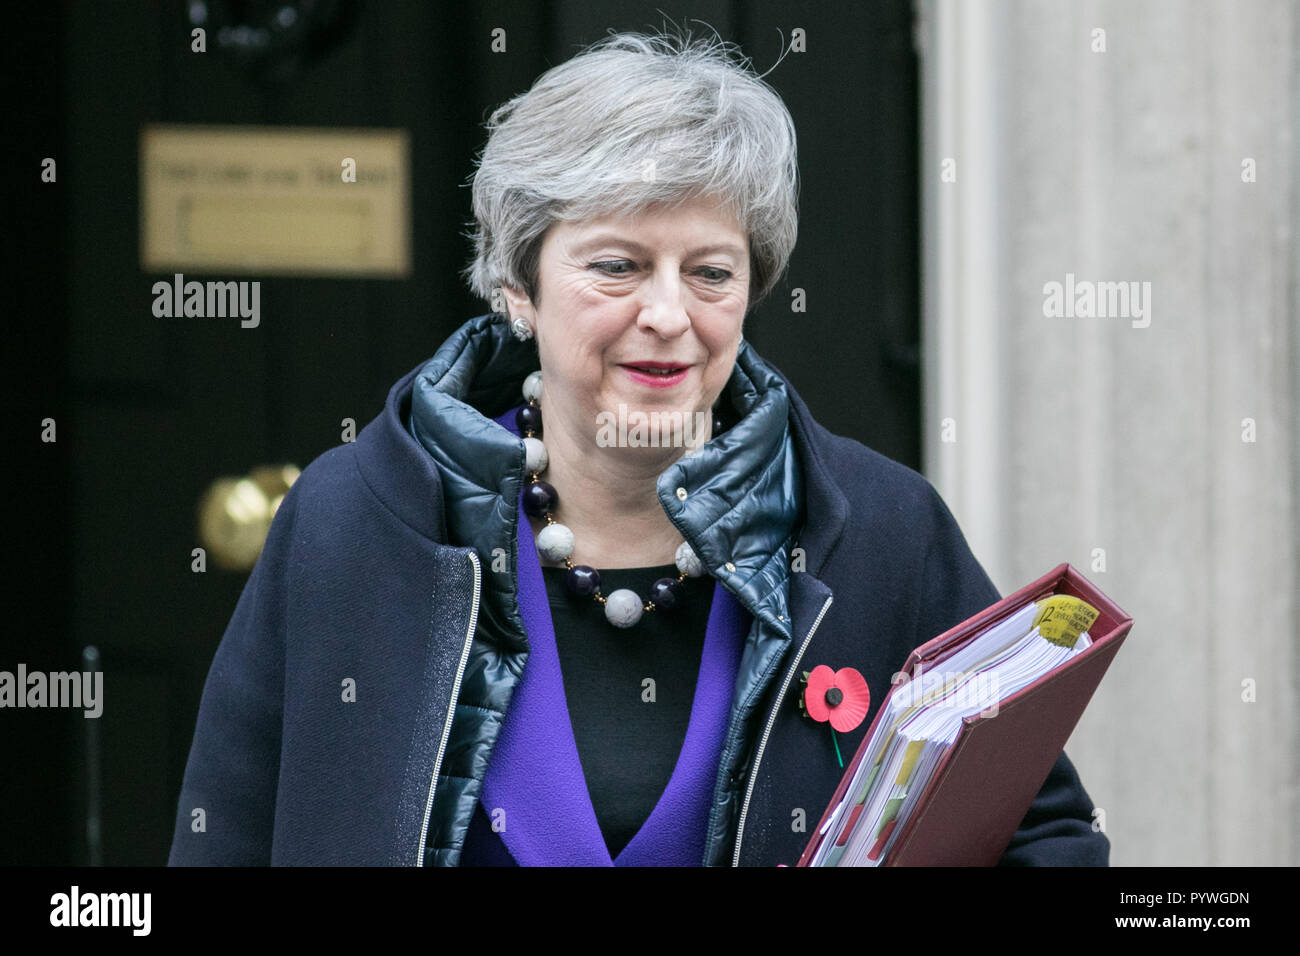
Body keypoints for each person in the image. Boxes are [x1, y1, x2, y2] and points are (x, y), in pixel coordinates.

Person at [168, 30, 1108, 867]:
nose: (668, 315)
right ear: (519, 287)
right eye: (617, 265)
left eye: (710, 272)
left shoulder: (878, 531)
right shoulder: (352, 522)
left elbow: (1047, 836)